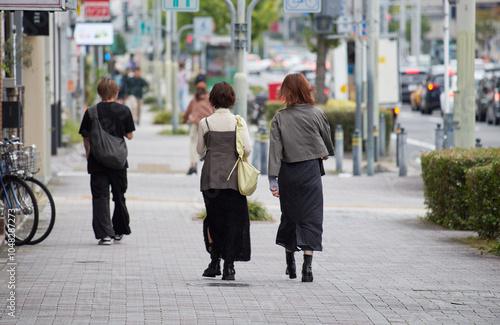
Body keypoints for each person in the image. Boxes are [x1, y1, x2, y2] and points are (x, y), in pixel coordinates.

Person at [268, 73, 335, 282]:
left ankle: (290, 263)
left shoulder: (279, 118)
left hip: (288, 172)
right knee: (311, 216)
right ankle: (308, 266)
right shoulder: (317, 114)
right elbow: (327, 144)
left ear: (286, 92)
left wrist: (272, 179)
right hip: (310, 172)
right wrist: (322, 152)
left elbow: (275, 152)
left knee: (290, 216)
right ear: (306, 90)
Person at [197, 81, 252, 280]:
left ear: (212, 99)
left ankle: (214, 261)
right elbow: (246, 149)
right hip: (234, 178)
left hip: (211, 179)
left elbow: (200, 150)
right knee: (234, 220)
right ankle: (230, 265)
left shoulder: (205, 122)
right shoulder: (239, 122)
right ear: (231, 99)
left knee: (214, 219)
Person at [79, 77, 136, 245]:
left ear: (99, 92)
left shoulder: (91, 112)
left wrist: (89, 154)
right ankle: (119, 230)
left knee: (100, 197)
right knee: (119, 195)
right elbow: (130, 136)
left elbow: (86, 137)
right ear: (116, 92)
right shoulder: (124, 111)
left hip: (97, 161)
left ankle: (105, 234)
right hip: (118, 161)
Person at [182, 81, 215, 175]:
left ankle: (193, 165)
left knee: (193, 144)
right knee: (209, 145)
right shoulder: (210, 99)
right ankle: (209, 166)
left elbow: (188, 112)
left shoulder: (194, 99)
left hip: (196, 124)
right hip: (208, 125)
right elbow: (214, 111)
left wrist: (184, 120)